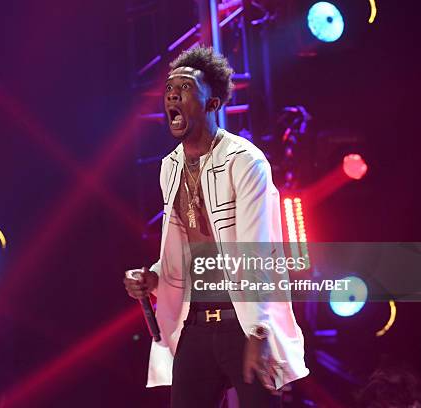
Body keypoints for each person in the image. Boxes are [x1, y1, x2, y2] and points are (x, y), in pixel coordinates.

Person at [124, 46, 308, 407]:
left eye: (187, 88)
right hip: (196, 325)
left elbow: (257, 248)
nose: (173, 94)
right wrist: (154, 278)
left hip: (242, 323)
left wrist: (259, 331)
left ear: (213, 103)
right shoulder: (170, 167)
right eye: (169, 89)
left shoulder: (245, 160)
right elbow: (183, 250)